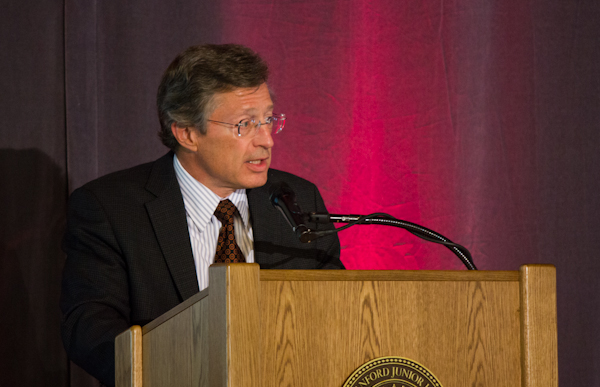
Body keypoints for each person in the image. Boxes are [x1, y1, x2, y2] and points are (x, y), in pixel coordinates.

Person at [60, 44, 343, 386]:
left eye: (268, 119)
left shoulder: (296, 197)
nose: (266, 140)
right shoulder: (110, 208)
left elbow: (336, 307)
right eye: (245, 124)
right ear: (187, 133)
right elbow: (89, 328)